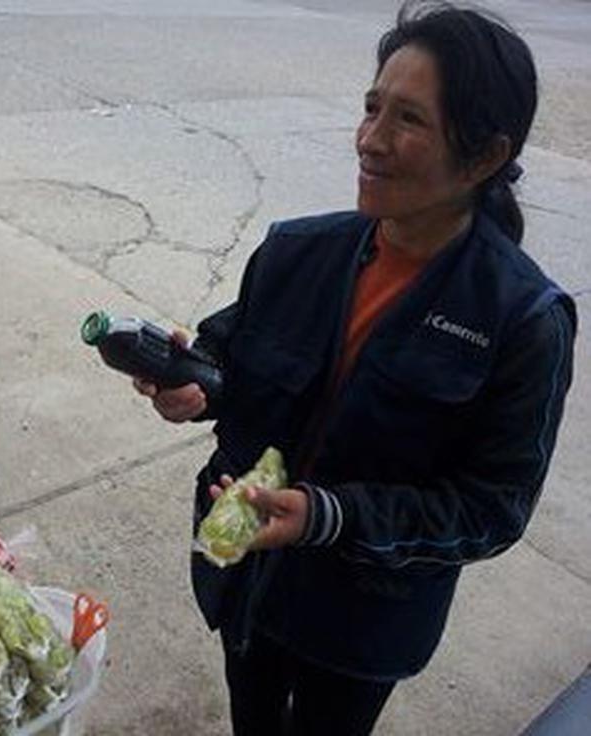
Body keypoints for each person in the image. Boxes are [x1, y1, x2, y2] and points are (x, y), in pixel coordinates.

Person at [133, 3, 576, 734]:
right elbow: (228, 358)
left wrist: (326, 517)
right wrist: (190, 383)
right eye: (372, 107)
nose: (370, 140)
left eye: (408, 120)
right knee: (252, 715)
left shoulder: (523, 320)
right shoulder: (296, 251)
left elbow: (492, 509)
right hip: (243, 567)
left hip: (364, 622)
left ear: (486, 156)